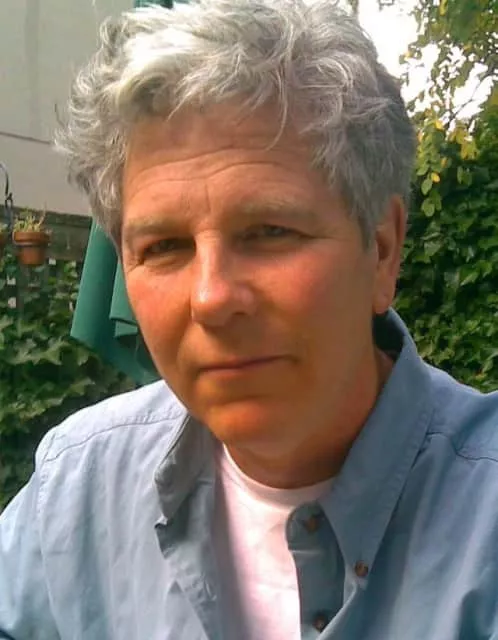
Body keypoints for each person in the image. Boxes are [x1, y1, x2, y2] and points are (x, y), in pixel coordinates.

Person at [1, 0, 497, 638]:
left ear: (381, 250)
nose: (211, 297)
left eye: (270, 231)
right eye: (164, 246)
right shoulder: (76, 489)